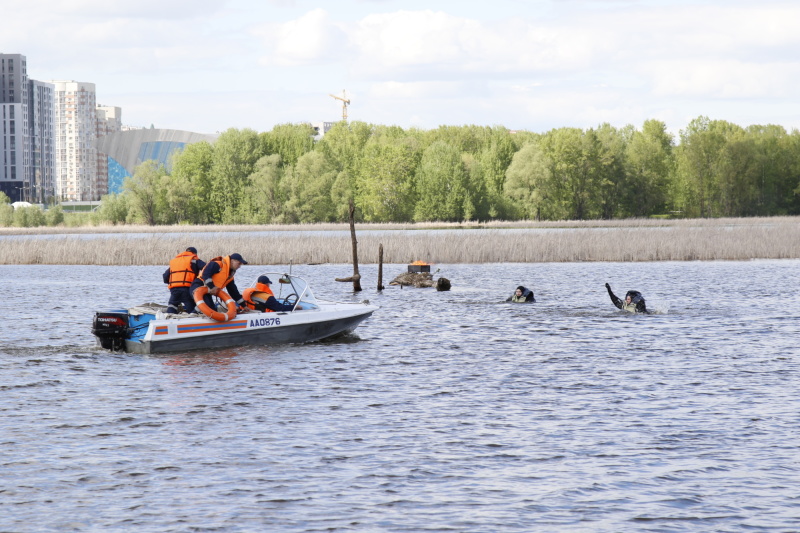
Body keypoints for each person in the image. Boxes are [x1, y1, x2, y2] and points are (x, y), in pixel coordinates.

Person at [163, 247, 206, 314]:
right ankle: (192, 321)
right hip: (187, 289)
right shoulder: (194, 259)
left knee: (172, 306)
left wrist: (172, 282)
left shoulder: (175, 262)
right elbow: (207, 268)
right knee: (191, 309)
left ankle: (169, 320)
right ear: (194, 253)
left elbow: (165, 276)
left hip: (174, 289)